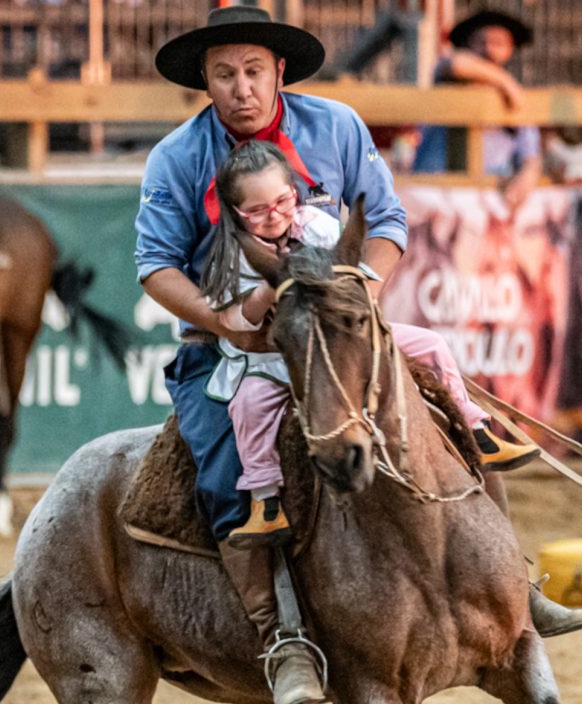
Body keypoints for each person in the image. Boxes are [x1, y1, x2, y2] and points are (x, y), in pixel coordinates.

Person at [136, 6, 582, 704]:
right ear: (206, 82)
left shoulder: (336, 127)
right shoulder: (177, 157)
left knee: (450, 425)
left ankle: (514, 585)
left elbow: (388, 221)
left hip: (345, 335)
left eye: (254, 71)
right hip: (234, 347)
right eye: (224, 75)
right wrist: (223, 318)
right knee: (226, 478)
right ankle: (281, 634)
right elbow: (157, 266)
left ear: (279, 71)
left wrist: (364, 289)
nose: (241, 88)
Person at [199, 141, 539, 548]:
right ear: (236, 214)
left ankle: (475, 426)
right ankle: (264, 497)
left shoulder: (318, 228)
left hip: (340, 342)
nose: (273, 216)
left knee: (430, 345)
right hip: (276, 357)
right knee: (248, 404)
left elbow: (350, 278)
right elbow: (237, 321)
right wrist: (270, 290)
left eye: (282, 202)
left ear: (294, 192)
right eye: (257, 211)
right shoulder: (237, 255)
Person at [411, 9, 541, 210]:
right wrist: (505, 81)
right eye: (481, 42)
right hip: (434, 192)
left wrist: (529, 173)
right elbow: (458, 64)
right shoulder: (447, 77)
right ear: (467, 45)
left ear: (510, 49)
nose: (489, 50)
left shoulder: (514, 97)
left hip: (487, 197)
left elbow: (530, 152)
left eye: (498, 43)